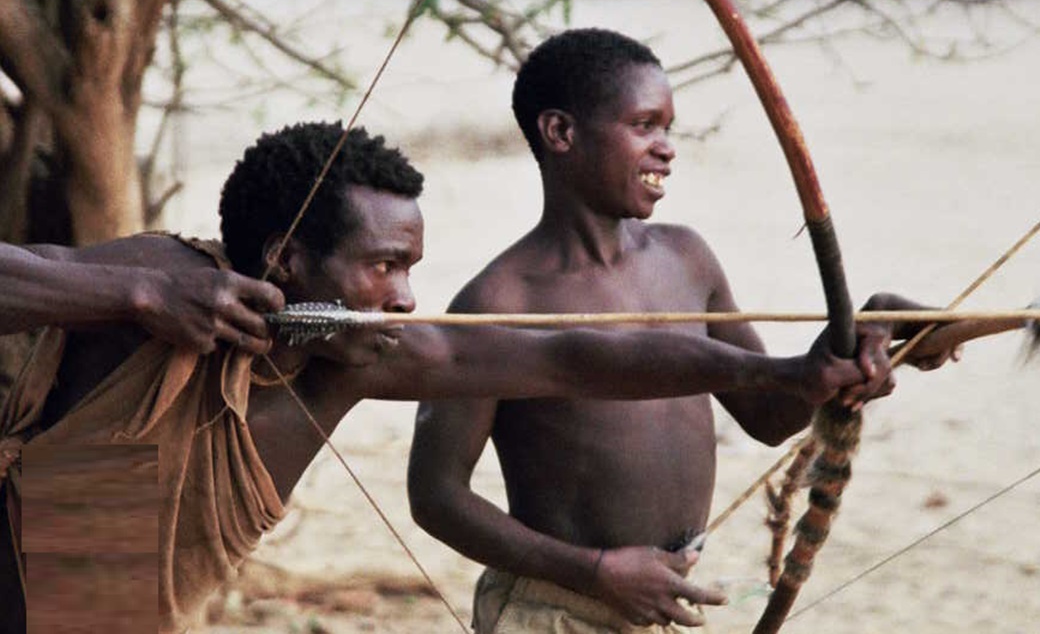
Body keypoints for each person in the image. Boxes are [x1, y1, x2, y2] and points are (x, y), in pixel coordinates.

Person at [0, 120, 886, 634]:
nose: (405, 296)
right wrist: (138, 291)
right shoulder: (157, 280)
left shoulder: (355, 359)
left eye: (410, 268)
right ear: (285, 257)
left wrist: (780, 368)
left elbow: (570, 356)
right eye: (382, 266)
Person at [407, 29, 932, 632]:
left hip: (659, 601)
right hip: (556, 608)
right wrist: (596, 571)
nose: (666, 149)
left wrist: (850, 345)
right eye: (643, 125)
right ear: (561, 133)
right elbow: (436, 495)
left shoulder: (686, 258)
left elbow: (768, 415)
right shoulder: (499, 302)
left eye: (668, 129)